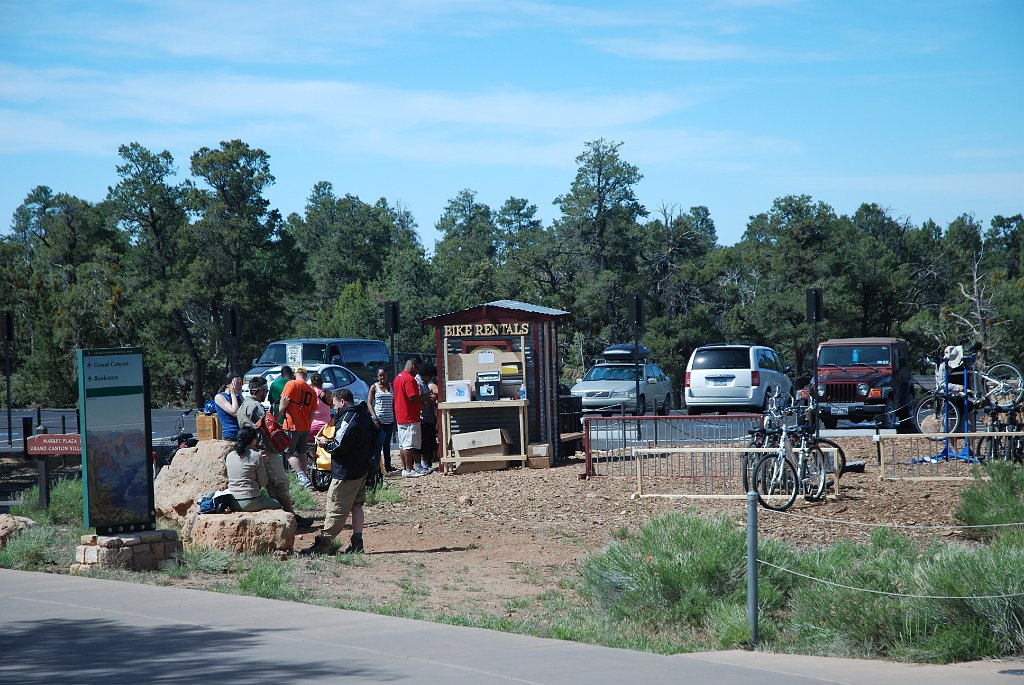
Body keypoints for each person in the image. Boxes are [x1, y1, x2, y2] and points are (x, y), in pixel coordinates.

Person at [307, 388, 375, 554]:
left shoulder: (347, 419)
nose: (334, 408)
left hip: (346, 472)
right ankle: (357, 543)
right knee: (357, 505)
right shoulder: (364, 415)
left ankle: (323, 543)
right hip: (361, 469)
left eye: (335, 405)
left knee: (336, 507)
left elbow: (338, 446)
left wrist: (323, 443)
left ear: (343, 402)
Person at [237, 376, 296, 515]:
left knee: (271, 486)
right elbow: (270, 426)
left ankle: (281, 515)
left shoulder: (243, 405)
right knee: (281, 483)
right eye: (266, 391)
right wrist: (281, 408)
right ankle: (292, 516)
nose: (267, 394)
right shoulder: (256, 406)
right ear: (261, 390)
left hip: (255, 450)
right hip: (266, 451)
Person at [225, 426, 283, 512]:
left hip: (232, 502)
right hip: (251, 501)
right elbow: (263, 482)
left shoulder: (230, 455)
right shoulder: (256, 455)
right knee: (277, 505)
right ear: (253, 440)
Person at [278, 367, 317, 491]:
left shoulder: (291, 384)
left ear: (295, 375)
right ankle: (304, 480)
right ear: (305, 376)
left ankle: (302, 476)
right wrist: (308, 424)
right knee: (301, 453)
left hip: (291, 424)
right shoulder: (311, 390)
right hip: (305, 426)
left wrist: (279, 413)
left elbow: (283, 401)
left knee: (288, 452)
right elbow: (312, 412)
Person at [393, 356, 427, 478]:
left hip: (401, 415)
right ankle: (409, 470)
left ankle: (404, 469)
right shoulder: (409, 379)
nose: (417, 372)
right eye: (417, 369)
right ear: (413, 366)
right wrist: (425, 398)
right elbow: (412, 397)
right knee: (409, 444)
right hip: (410, 416)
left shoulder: (398, 378)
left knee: (403, 444)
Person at [367, 367, 396, 473]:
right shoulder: (374, 387)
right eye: (380, 375)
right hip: (379, 421)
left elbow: (393, 403)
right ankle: (376, 468)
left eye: (383, 374)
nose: (382, 377)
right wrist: (374, 417)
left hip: (390, 420)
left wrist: (395, 418)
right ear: (377, 376)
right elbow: (369, 403)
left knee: (387, 445)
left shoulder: (391, 387)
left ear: (386, 375)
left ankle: (388, 466)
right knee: (378, 445)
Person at [415, 362, 438, 474]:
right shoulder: (417, 382)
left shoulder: (425, 382)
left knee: (428, 442)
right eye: (429, 376)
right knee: (422, 443)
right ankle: (420, 465)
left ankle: (426, 464)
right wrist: (429, 398)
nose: (430, 379)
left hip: (428, 416)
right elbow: (419, 398)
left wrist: (428, 398)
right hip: (421, 417)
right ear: (425, 374)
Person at [214, 373, 244, 441]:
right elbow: (235, 412)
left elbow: (246, 410)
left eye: (240, 383)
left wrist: (240, 395)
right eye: (236, 383)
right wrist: (233, 394)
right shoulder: (220, 397)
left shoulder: (238, 397)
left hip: (242, 434)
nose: (239, 386)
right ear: (228, 385)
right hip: (230, 435)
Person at [308, 372, 333, 437]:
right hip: (326, 427)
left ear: (311, 383)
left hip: (311, 426)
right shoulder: (328, 393)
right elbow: (331, 406)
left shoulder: (309, 394)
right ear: (322, 382)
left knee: (309, 446)